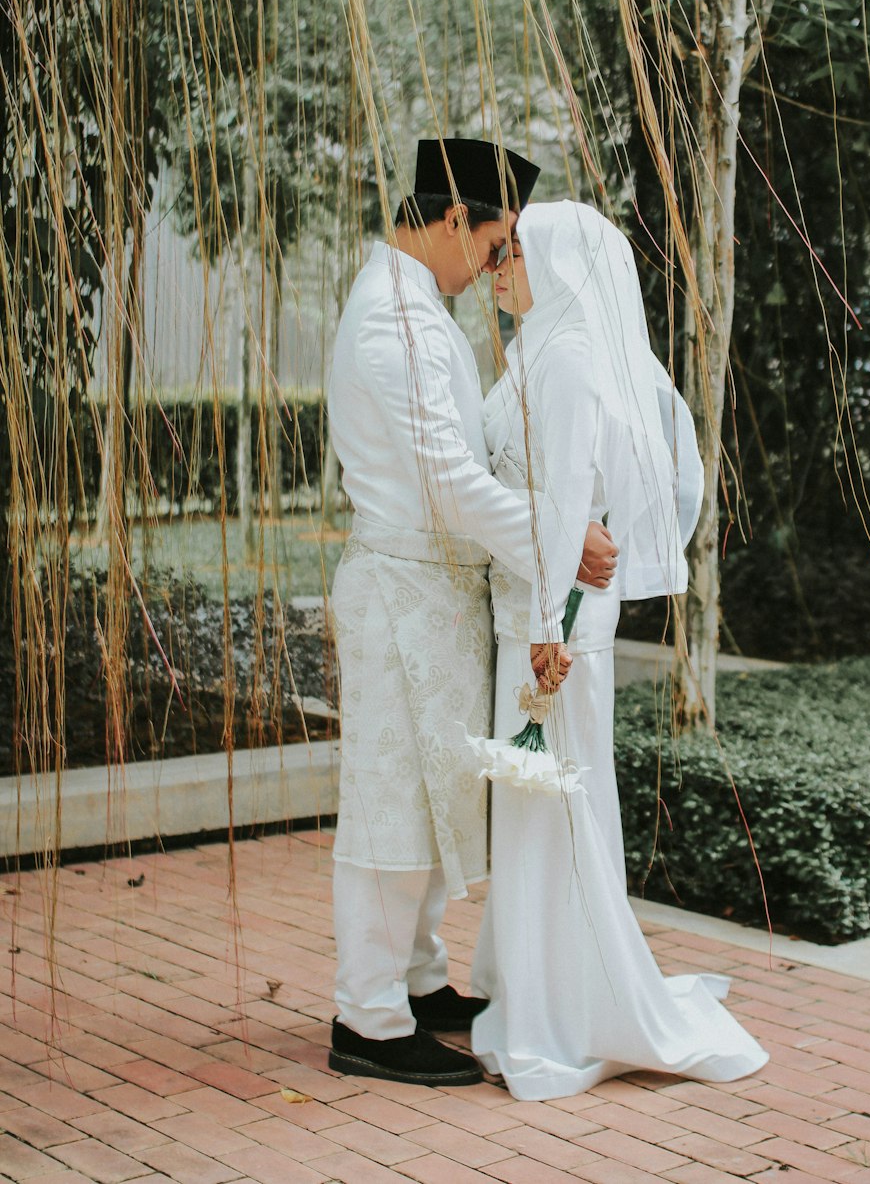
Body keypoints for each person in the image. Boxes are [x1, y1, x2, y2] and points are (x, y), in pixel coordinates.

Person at [326, 140, 619, 1087]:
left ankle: (414, 979)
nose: (495, 269)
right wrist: (559, 533)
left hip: (434, 594)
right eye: (495, 249)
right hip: (402, 591)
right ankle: (365, 1018)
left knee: (429, 797)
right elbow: (451, 485)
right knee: (389, 803)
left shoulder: (415, 306)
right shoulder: (390, 322)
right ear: (458, 220)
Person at [470, 198, 768, 1099]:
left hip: (550, 623)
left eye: (515, 251)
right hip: (534, 611)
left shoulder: (566, 359)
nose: (498, 264)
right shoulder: (537, 349)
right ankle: (537, 986)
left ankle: (570, 1008)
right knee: (541, 806)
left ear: (560, 265)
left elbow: (566, 501)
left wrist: (543, 631)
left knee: (555, 806)